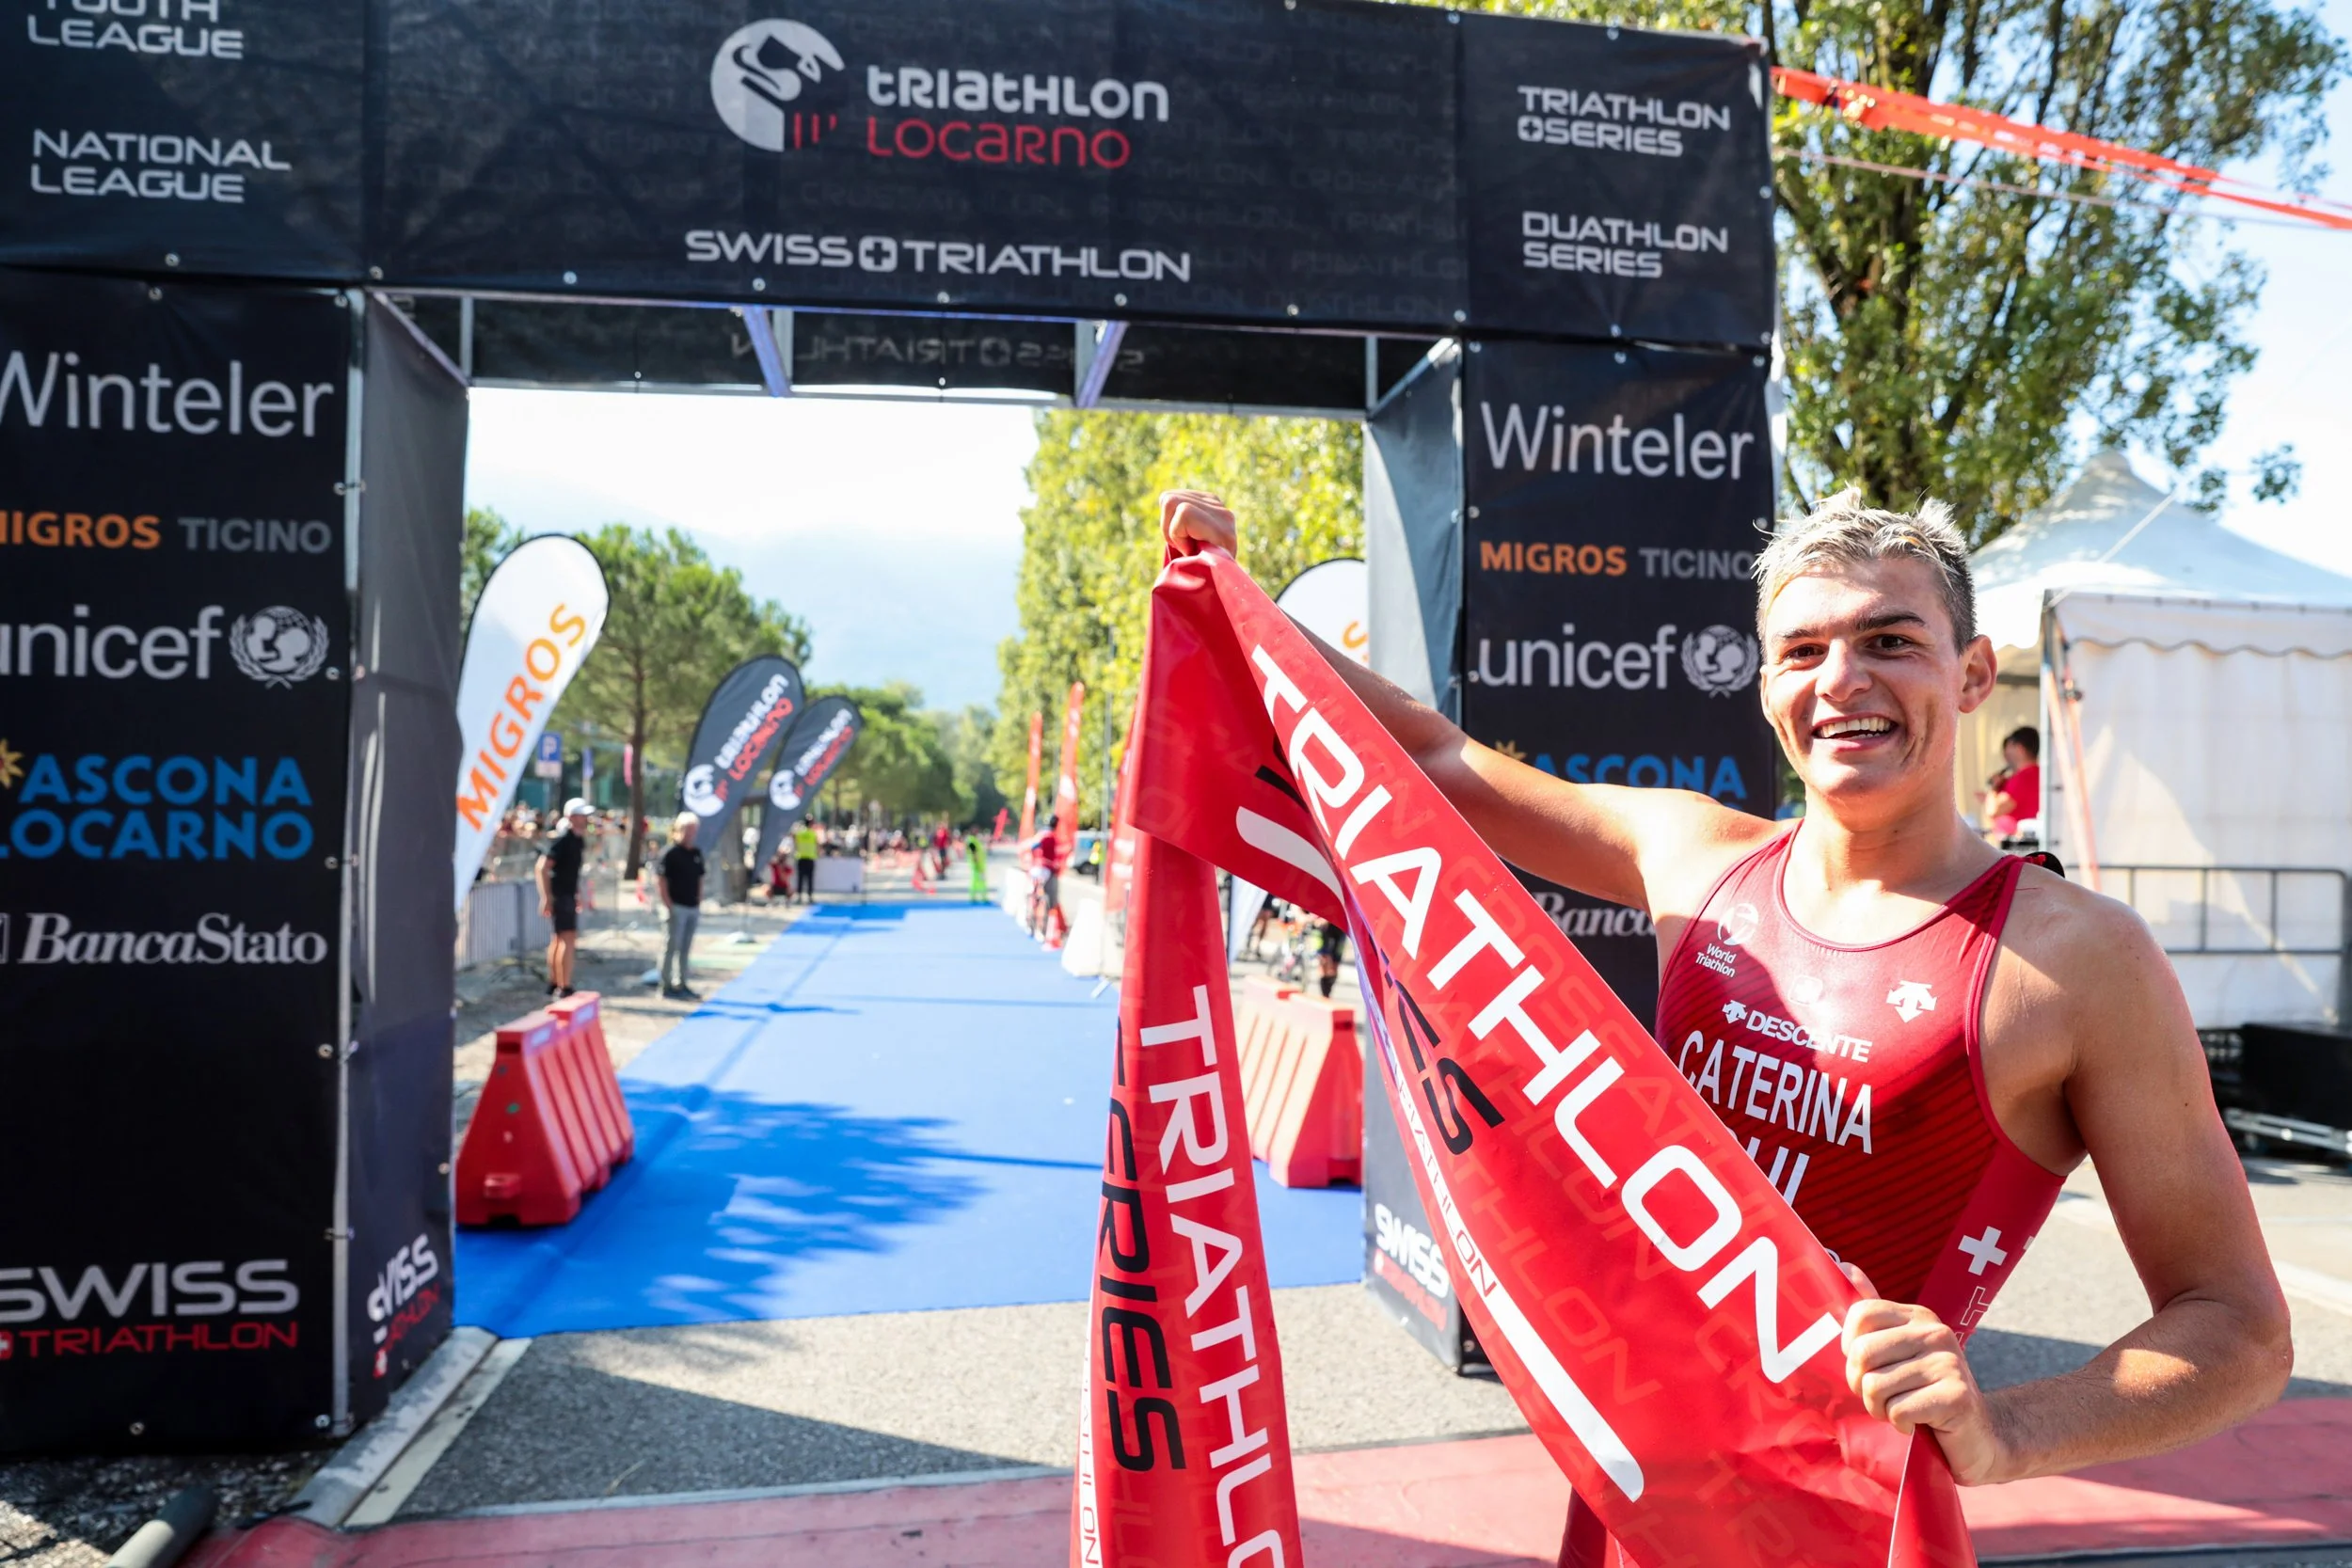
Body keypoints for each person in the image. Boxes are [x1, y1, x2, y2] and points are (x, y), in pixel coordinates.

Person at [1161, 488, 2290, 1560]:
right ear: (1764, 689)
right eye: (1802, 650)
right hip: (1634, 1498)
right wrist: (1236, 604)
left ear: (1973, 672)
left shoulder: (2079, 957)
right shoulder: (1696, 858)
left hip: (1846, 1529)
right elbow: (1433, 759)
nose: (1841, 677)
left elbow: (2237, 1326)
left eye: (1890, 639)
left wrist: (2004, 1427)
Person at [536, 798, 593, 998]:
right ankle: (564, 986)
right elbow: (542, 867)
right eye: (582, 815)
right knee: (567, 939)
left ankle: (555, 982)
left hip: (566, 894)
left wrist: (576, 893)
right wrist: (547, 897)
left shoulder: (577, 841)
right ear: (572, 817)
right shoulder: (563, 840)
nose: (586, 819)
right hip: (561, 896)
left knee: (559, 938)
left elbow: (570, 871)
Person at [656, 812, 706, 1001]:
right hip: (676, 906)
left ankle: (681, 982)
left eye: (693, 830)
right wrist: (668, 903)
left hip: (692, 906)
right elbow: (661, 880)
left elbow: (700, 877)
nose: (690, 834)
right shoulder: (670, 853)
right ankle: (665, 984)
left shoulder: (696, 853)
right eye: (687, 830)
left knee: (685, 948)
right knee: (671, 946)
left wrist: (699, 899)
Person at [1986, 725, 2042, 840]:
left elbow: (1993, 810)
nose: (2005, 754)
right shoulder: (2035, 774)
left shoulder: (2024, 777)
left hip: (2016, 843)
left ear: (2019, 748)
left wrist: (1994, 788)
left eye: (2009, 747)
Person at [1029, 814, 1068, 944]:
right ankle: (1044, 927)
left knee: (1036, 896)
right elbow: (1056, 856)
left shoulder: (1040, 834)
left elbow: (1033, 848)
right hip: (1046, 869)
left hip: (1035, 868)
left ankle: (1032, 921)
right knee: (1049, 898)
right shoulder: (1051, 836)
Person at [792, 817, 819, 904]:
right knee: (810, 879)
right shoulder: (813, 833)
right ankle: (810, 896)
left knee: (800, 878)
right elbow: (817, 844)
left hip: (801, 857)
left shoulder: (800, 833)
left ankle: (799, 896)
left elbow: (794, 841)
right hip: (810, 858)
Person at [965, 826, 990, 903]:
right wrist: (976, 862)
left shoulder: (974, 840)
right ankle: (977, 897)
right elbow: (974, 852)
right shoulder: (971, 841)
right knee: (977, 880)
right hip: (976, 865)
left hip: (979, 864)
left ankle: (977, 896)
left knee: (979, 881)